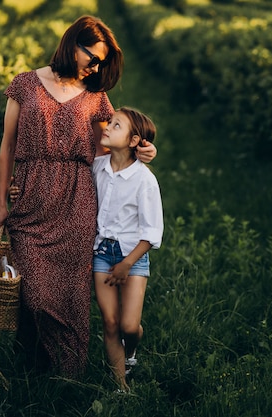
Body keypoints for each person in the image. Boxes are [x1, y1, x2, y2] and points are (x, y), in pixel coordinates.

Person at [0, 15, 156, 377]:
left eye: (101, 62)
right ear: (73, 45)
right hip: (31, 198)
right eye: (92, 58)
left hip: (77, 202)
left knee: (71, 296)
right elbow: (7, 146)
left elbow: (120, 142)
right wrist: (3, 200)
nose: (95, 66)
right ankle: (37, 360)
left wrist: (146, 151)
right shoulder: (25, 84)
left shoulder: (96, 97)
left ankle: (64, 374)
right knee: (35, 295)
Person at [91, 107, 163, 392]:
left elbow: (150, 233)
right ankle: (121, 387)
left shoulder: (144, 180)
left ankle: (130, 350)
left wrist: (126, 264)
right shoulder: (98, 166)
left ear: (134, 141)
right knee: (110, 323)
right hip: (101, 254)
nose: (107, 127)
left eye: (116, 125)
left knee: (129, 327)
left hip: (133, 256)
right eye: (110, 122)